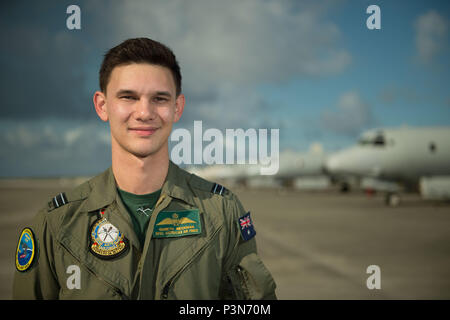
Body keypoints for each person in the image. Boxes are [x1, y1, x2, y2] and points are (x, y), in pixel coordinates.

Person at [13, 37, 277, 300]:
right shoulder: (57, 223)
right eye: (128, 97)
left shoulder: (223, 214)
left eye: (159, 99)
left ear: (177, 108)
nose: (144, 112)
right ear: (102, 106)